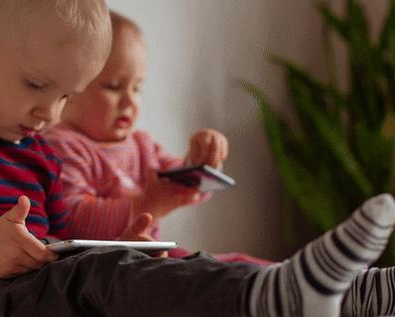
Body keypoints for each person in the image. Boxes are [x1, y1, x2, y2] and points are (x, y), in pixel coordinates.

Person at [0, 0, 395, 317]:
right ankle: (277, 295)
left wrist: (115, 234)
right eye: (37, 85)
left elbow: (57, 229)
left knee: (160, 261)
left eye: (67, 95)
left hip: (23, 276)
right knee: (104, 280)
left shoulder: (36, 147)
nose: (50, 113)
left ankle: (372, 293)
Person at [43, 11, 270, 265]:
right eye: (114, 86)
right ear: (71, 89)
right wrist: (148, 202)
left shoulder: (142, 145)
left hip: (149, 258)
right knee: (208, 275)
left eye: (137, 87)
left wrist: (201, 160)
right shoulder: (63, 145)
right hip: (102, 268)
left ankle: (288, 283)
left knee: (238, 264)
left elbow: (181, 183)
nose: (129, 101)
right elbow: (75, 220)